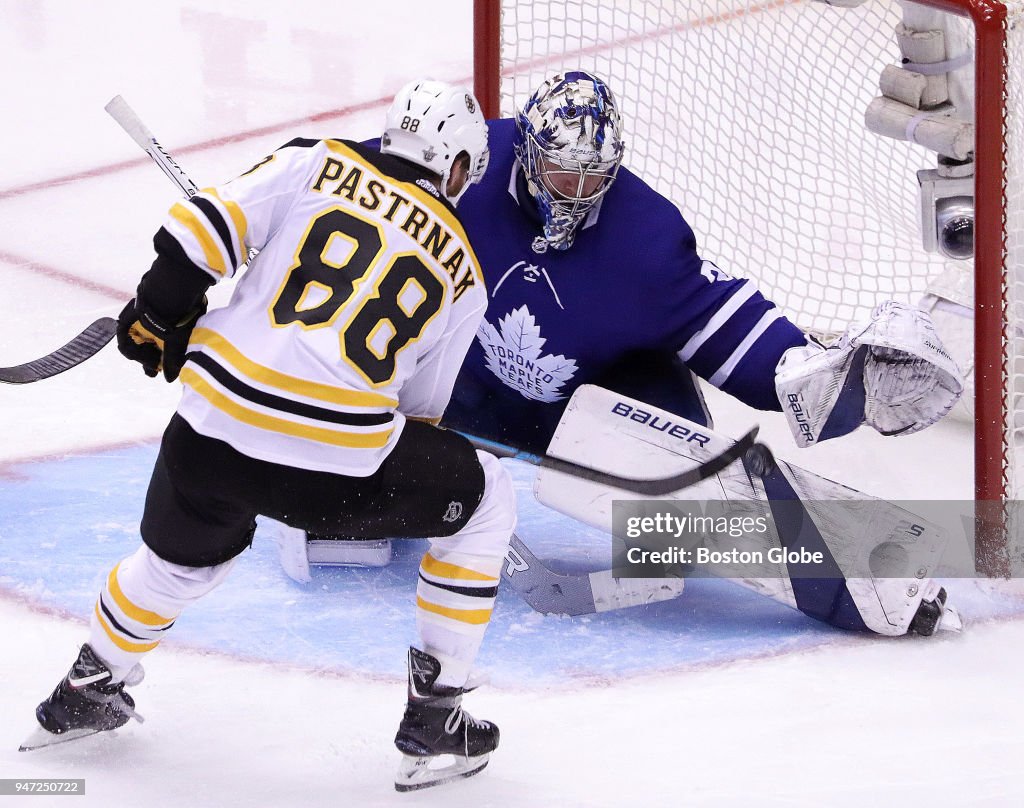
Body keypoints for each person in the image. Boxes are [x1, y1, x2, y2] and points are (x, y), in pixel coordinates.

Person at [281, 70, 963, 637]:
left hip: (578, 411)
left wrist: (836, 381)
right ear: (522, 150)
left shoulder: (646, 238)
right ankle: (331, 487)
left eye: (593, 177)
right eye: (559, 171)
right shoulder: (470, 163)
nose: (575, 193)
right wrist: (280, 200)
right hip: (459, 391)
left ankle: (874, 590)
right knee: (359, 340)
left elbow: (731, 333)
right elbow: (358, 175)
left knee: (675, 454)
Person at [23, 79, 510, 792]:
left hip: (207, 436)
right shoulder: (465, 271)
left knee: (175, 566)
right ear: (459, 167)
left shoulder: (315, 161)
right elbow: (418, 417)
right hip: (332, 476)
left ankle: (85, 688)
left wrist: (160, 313)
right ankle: (435, 719)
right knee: (486, 498)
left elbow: (199, 235)